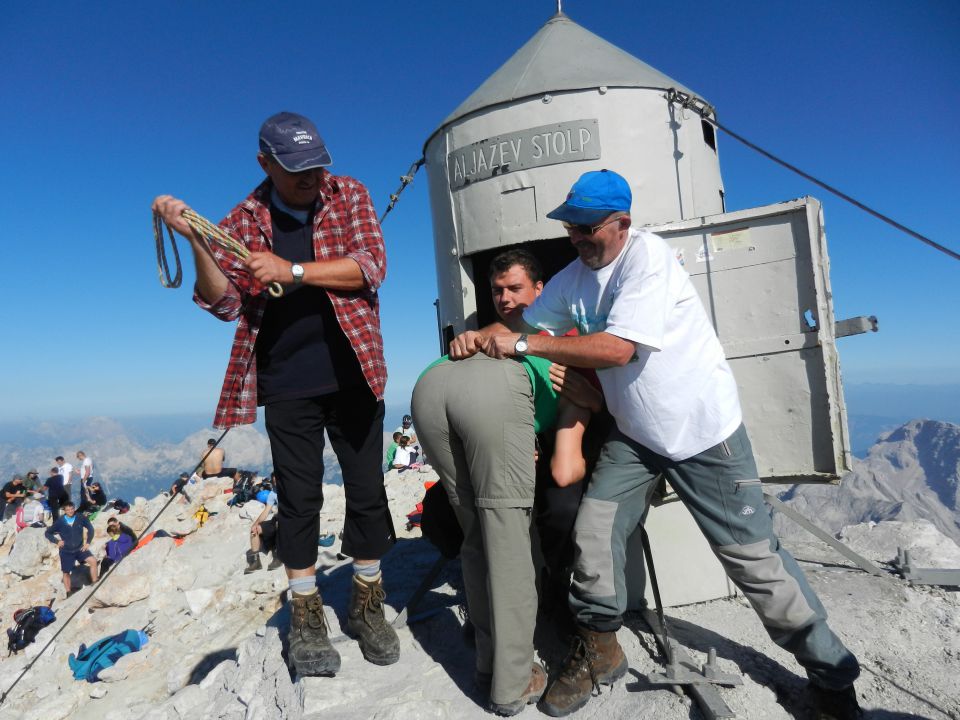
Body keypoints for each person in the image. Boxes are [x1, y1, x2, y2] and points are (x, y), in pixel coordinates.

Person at [450, 169, 862, 719]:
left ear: (621, 223)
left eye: (586, 227)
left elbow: (619, 350)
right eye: (570, 227)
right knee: (594, 536)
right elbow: (528, 324)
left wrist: (523, 342)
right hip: (636, 436)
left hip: (703, 434)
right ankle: (601, 649)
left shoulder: (649, 261)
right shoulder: (574, 278)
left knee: (754, 564)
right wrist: (481, 336)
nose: (576, 237)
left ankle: (832, 679)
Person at [152, 110, 398, 677]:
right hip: (288, 382)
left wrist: (292, 268)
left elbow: (370, 266)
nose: (309, 178)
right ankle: (306, 613)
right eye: (294, 170)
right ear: (265, 164)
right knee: (299, 497)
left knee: (366, 489)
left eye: (315, 166)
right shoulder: (241, 220)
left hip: (357, 369)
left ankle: (367, 603)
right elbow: (224, 303)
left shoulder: (349, 194)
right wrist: (199, 244)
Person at [413, 256, 601, 715]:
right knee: (510, 542)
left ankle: (487, 661)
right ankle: (512, 681)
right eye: (499, 290)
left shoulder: (491, 333)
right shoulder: (561, 339)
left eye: (515, 288)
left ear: (541, 288)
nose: (505, 298)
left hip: (429, 388)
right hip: (489, 400)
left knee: (477, 535)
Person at [44, 500, 98, 595]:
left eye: (72, 509)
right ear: (64, 511)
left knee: (93, 561)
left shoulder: (80, 517)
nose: (70, 511)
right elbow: (47, 533)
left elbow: (90, 528)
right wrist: (57, 541)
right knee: (66, 572)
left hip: (80, 549)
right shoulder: (60, 521)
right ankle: (69, 592)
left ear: (74, 508)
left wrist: (88, 542)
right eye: (68, 510)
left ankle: (95, 583)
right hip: (66, 551)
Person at [245, 487, 283, 574]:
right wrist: (255, 524)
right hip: (277, 519)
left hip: (290, 521)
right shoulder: (273, 493)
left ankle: (278, 557)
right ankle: (256, 562)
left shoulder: (290, 489)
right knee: (255, 530)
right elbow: (266, 512)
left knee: (279, 525)